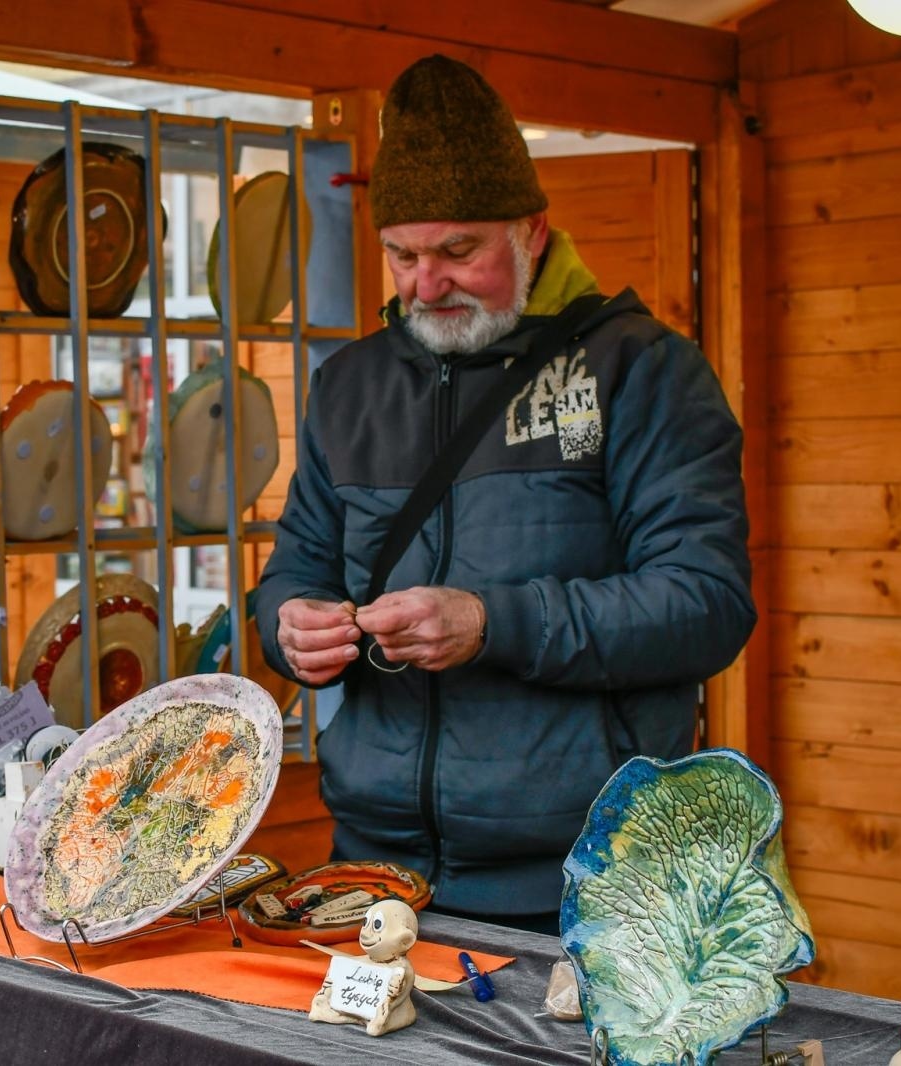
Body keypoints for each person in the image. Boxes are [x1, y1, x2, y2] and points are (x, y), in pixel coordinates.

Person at [255, 54, 756, 933]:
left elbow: (706, 603)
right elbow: (291, 571)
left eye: (458, 251)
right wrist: (289, 627)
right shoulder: (349, 385)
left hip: (593, 882)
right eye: (402, 255)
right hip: (371, 874)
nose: (425, 283)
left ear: (531, 232)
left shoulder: (640, 370)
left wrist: (493, 624)